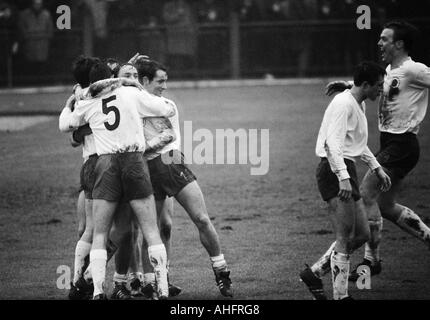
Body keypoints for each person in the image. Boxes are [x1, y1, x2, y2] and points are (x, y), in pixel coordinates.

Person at [324, 21, 430, 282]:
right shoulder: (390, 71)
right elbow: (381, 85)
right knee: (386, 205)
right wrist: (350, 84)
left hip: (402, 144)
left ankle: (372, 261)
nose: (379, 43)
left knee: (367, 195)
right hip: (391, 143)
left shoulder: (414, 70)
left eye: (384, 39)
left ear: (399, 44)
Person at [59, 62, 175, 300]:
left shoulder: (88, 100)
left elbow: (66, 125)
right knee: (150, 229)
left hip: (105, 164)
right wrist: (133, 86)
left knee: (99, 233)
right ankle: (162, 289)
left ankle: (98, 292)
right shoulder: (131, 92)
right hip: (134, 161)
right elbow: (168, 109)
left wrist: (75, 98)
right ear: (113, 76)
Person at [134, 59, 233, 298]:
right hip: (147, 169)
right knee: (155, 229)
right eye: (160, 81)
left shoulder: (167, 104)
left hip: (170, 164)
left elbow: (173, 133)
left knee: (200, 218)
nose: (165, 86)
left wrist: (173, 148)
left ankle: (221, 272)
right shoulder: (132, 102)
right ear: (145, 81)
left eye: (166, 81)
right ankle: (154, 282)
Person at [300, 61, 391, 300]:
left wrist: (376, 167)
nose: (382, 89)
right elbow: (333, 145)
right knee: (345, 237)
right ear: (366, 84)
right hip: (333, 170)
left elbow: (355, 144)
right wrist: (342, 178)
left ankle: (314, 272)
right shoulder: (343, 104)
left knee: (362, 234)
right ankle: (341, 296)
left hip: (345, 168)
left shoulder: (356, 101)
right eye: (379, 85)